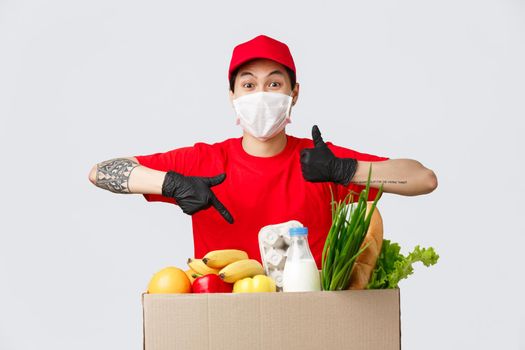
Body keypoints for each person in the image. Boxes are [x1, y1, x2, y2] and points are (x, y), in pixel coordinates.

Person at [88, 35, 437, 267]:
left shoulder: (321, 162)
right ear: (233, 96)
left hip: (310, 322)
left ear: (294, 93)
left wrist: (346, 171)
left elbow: (423, 179)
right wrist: (171, 184)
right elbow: (101, 171)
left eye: (274, 83)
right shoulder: (205, 161)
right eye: (248, 85)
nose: (261, 94)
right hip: (222, 320)